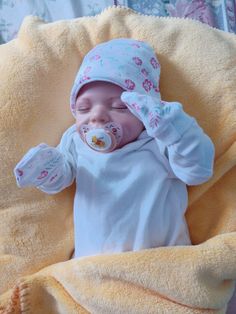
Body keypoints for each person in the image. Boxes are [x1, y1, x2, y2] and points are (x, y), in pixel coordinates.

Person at [14, 38, 215, 258]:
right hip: (93, 267)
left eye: (119, 106)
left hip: (161, 259)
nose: (97, 115)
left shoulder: (158, 139)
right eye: (83, 108)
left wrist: (174, 127)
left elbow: (197, 171)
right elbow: (62, 178)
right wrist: (45, 167)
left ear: (145, 107)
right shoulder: (75, 141)